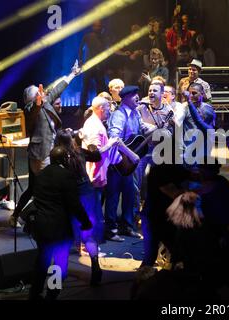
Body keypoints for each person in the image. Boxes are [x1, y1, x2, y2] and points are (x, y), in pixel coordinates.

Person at [11, 63, 80, 224]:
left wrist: (72, 74)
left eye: (40, 93)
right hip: (39, 154)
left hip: (49, 151)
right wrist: (37, 103)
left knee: (33, 188)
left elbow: (58, 89)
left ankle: (17, 215)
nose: (41, 95)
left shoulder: (45, 102)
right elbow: (34, 111)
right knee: (48, 187)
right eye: (38, 94)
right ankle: (35, 218)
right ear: (31, 98)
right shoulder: (29, 108)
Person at [55, 128, 118, 285]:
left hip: (71, 196)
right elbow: (97, 157)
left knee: (63, 236)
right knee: (88, 234)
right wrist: (85, 142)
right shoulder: (80, 152)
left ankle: (57, 277)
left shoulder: (58, 155)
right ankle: (95, 266)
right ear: (72, 140)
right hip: (87, 194)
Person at [28, 146, 92, 300]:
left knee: (42, 261)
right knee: (59, 263)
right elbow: (74, 204)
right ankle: (52, 294)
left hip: (42, 226)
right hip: (60, 229)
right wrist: (85, 222)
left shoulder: (40, 175)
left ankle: (34, 294)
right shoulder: (67, 176)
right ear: (65, 159)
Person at [83, 96, 140, 242]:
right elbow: (93, 152)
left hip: (100, 172)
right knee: (93, 209)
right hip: (95, 174)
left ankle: (93, 240)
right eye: (108, 108)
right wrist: (111, 143)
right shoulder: (94, 126)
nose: (110, 111)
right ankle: (90, 241)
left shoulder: (97, 123)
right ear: (101, 108)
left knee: (96, 207)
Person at [105, 86, 144, 241]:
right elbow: (115, 138)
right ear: (126, 98)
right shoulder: (119, 116)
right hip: (117, 163)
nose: (137, 97)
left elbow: (142, 128)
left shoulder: (135, 113)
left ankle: (127, 227)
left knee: (129, 194)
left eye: (137, 94)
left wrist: (157, 128)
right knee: (113, 197)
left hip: (127, 163)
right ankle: (111, 230)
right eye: (134, 95)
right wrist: (131, 154)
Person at [78, 20, 108, 114]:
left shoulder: (103, 37)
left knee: (100, 88)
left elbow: (105, 52)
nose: (97, 27)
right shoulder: (88, 36)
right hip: (88, 66)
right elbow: (80, 49)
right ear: (92, 26)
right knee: (85, 87)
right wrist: (80, 61)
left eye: (99, 26)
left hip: (99, 67)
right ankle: (81, 109)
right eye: (95, 26)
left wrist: (104, 65)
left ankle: (99, 109)